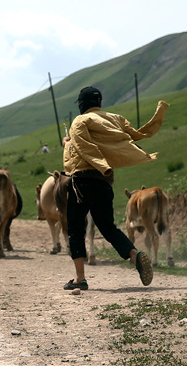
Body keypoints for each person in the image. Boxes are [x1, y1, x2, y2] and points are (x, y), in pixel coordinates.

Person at [61, 86, 170, 290]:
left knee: (75, 229)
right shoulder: (115, 119)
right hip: (104, 183)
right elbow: (135, 135)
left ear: (81, 104)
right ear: (99, 102)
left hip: (81, 183)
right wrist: (105, 169)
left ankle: (80, 278)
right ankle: (135, 255)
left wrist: (67, 144)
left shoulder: (80, 121)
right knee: (108, 228)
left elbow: (84, 148)